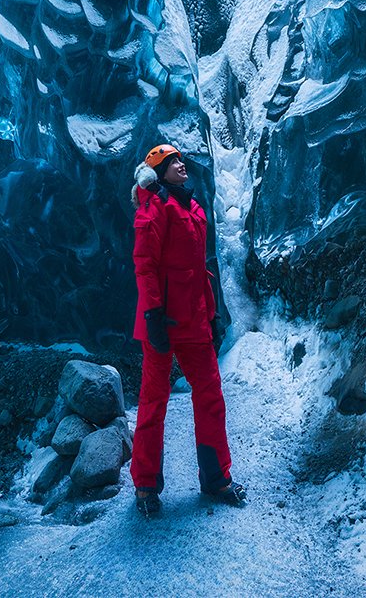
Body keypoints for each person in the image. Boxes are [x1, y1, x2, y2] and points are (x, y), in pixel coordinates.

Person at [129, 142, 246, 516]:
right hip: (163, 321)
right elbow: (145, 264)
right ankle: (146, 487)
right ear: (158, 172)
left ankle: (216, 479)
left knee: (210, 394)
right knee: (153, 401)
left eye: (179, 159)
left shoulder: (191, 207)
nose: (181, 165)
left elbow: (200, 271)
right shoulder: (156, 207)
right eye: (171, 161)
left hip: (194, 319)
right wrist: (152, 316)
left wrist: (212, 315)